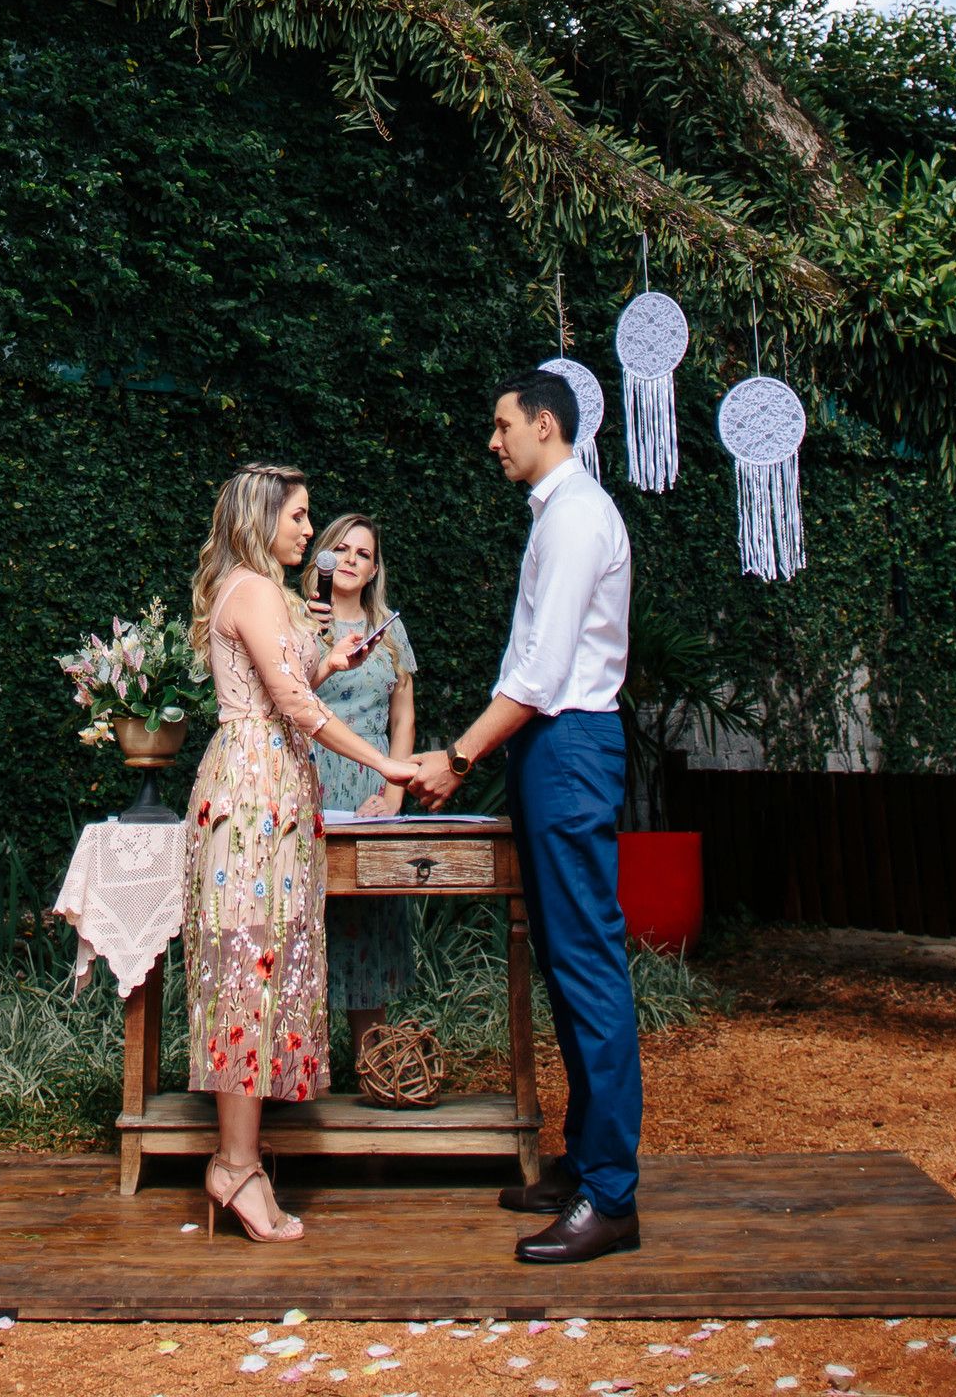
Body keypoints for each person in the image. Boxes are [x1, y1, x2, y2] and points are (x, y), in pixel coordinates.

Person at [406, 371, 642, 1266]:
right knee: (561, 956)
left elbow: (540, 676)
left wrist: (460, 758)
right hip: (548, 751)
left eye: (502, 424)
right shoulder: (554, 513)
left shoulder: (578, 515)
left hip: (572, 745)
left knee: (585, 963)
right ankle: (583, 1167)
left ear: (546, 425)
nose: (493, 441)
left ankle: (612, 1198)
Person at [185, 462, 417, 1244]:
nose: (307, 532)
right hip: (254, 790)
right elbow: (293, 704)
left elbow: (291, 676)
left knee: (264, 965)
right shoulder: (252, 590)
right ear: (262, 517)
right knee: (246, 971)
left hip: (276, 789)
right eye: (298, 517)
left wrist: (333, 659)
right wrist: (386, 763)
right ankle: (236, 1166)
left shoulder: (268, 593)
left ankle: (238, 1161)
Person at [301, 514, 418, 1056]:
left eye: (363, 554)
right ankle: (302, 1063)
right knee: (303, 916)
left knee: (367, 918)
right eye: (340, 548)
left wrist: (394, 794)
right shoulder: (302, 619)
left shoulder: (388, 628)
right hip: (307, 778)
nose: (350, 559)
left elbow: (403, 719)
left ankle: (373, 1059)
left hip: (371, 788)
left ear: (373, 570)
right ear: (323, 557)